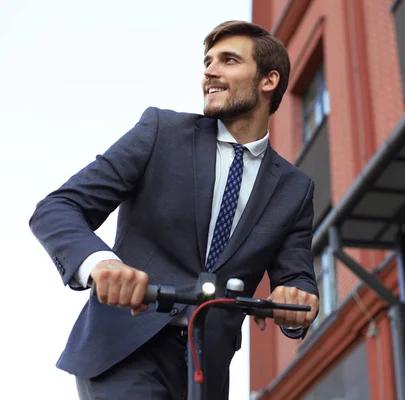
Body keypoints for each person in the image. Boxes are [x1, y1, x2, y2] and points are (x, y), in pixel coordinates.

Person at [29, 20, 320, 400]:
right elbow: (58, 207)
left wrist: (298, 301)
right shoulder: (160, 132)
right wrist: (102, 264)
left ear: (269, 81)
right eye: (207, 63)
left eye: (228, 61)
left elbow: (296, 277)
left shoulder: (295, 188)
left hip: (205, 371)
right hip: (124, 349)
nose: (210, 73)